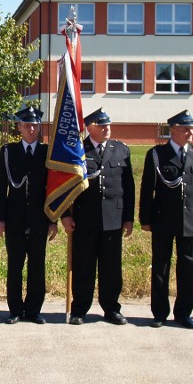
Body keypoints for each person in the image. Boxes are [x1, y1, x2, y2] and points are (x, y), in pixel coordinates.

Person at [61, 108, 134, 326]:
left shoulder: (121, 150)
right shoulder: (77, 150)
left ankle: (111, 308)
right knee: (83, 266)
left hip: (114, 218)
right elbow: (64, 186)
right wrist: (64, 215)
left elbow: (128, 187)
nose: (107, 129)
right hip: (84, 219)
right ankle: (80, 309)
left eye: (108, 125)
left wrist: (128, 218)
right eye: (102, 126)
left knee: (111, 267)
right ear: (89, 128)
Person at [139, 109, 193, 329]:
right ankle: (159, 312)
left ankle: (184, 313)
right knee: (161, 267)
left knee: (188, 268)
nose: (190, 132)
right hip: (163, 220)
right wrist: (145, 219)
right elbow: (147, 189)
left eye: (192, 128)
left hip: (191, 221)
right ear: (173, 130)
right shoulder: (157, 155)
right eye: (185, 129)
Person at [0, 105, 57, 324]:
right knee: (15, 265)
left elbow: (53, 189)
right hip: (15, 219)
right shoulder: (8, 152)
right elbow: (1, 187)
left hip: (40, 219)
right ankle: (14, 310)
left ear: (39, 127)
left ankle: (33, 310)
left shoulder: (46, 152)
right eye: (27, 125)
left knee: (37, 267)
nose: (31, 128)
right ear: (19, 127)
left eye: (35, 125)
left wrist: (53, 220)